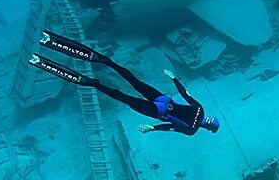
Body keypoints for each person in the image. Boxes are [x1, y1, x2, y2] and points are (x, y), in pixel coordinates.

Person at [29, 30, 221, 136]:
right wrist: (152, 128)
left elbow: (185, 94)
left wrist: (173, 78)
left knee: (133, 81)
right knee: (123, 97)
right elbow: (171, 127)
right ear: (207, 129)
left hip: (164, 100)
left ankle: (106, 61)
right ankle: (94, 83)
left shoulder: (200, 110)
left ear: (209, 120)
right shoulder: (192, 130)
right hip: (158, 111)